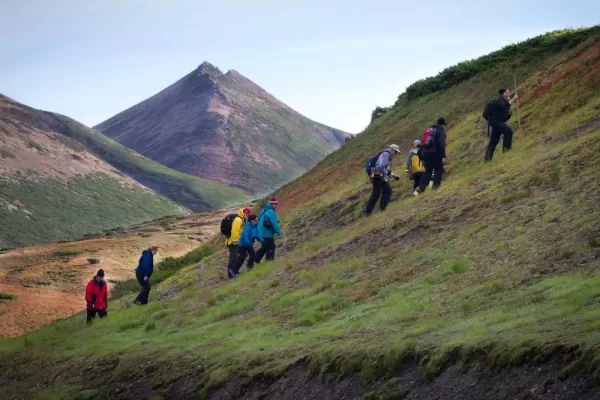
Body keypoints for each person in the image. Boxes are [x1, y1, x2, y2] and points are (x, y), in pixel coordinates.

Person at [483, 88, 519, 162]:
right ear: (504, 94)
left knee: (494, 141)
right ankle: (506, 151)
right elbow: (504, 105)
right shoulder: (499, 100)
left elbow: (505, 112)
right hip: (496, 122)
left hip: (498, 123)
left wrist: (505, 120)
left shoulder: (504, 101)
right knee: (508, 131)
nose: (509, 94)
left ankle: (487, 159)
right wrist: (514, 99)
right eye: (508, 93)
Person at [414, 118, 448, 196]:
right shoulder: (440, 131)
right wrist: (443, 156)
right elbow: (442, 145)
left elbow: (424, 142)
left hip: (425, 153)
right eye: (445, 126)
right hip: (435, 153)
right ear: (443, 125)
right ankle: (435, 188)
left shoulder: (430, 130)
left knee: (428, 172)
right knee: (439, 169)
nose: (446, 128)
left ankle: (418, 189)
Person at [365, 144, 401, 215]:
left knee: (383, 191)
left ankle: (378, 210)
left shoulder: (386, 154)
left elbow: (383, 168)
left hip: (377, 175)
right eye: (396, 152)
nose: (396, 153)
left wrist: (393, 175)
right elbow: (381, 166)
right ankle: (372, 211)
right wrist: (390, 174)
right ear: (392, 150)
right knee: (378, 193)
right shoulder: (386, 154)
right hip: (378, 175)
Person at [226, 207, 252, 278]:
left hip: (236, 241)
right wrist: (235, 242)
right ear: (245, 213)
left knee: (242, 255)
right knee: (233, 258)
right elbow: (234, 232)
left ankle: (235, 270)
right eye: (248, 214)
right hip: (233, 242)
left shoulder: (242, 218)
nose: (249, 215)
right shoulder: (238, 220)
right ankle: (231, 275)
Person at [256, 198, 282, 263]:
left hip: (260, 232)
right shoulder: (271, 211)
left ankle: (256, 258)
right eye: (274, 204)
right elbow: (275, 224)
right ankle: (269, 261)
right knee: (271, 247)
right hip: (267, 233)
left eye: (276, 203)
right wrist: (279, 233)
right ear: (270, 204)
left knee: (265, 247)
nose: (275, 205)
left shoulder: (263, 210)